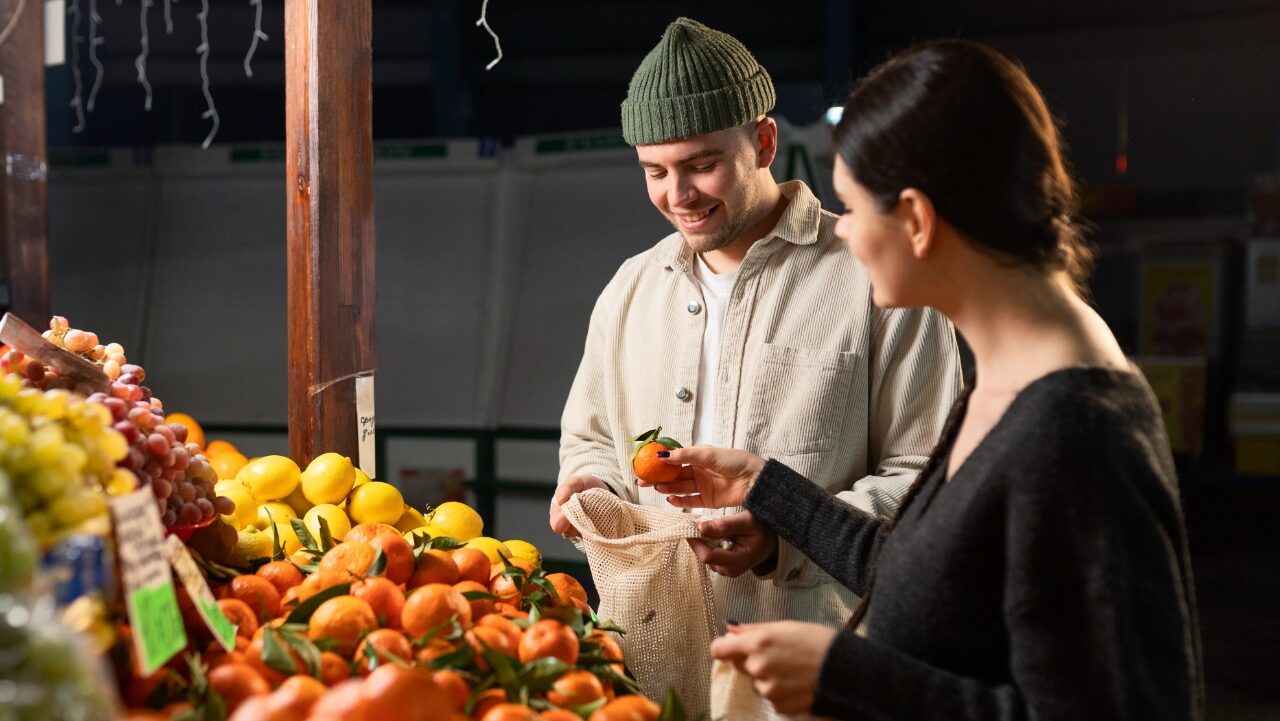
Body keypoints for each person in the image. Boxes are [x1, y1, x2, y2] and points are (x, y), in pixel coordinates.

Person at [642, 39, 1204, 720]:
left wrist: (846, 675)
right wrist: (767, 486)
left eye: (850, 207)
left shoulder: (1073, 425)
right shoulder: (1009, 372)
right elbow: (931, 575)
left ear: (914, 218)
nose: (842, 233)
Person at [548, 16, 963, 713]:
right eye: (655, 171)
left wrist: (784, 533)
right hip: (653, 663)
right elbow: (589, 435)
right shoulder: (630, 289)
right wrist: (588, 480)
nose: (677, 194)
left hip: (816, 666)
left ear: (763, 141)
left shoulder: (874, 277)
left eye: (701, 164)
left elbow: (928, 476)